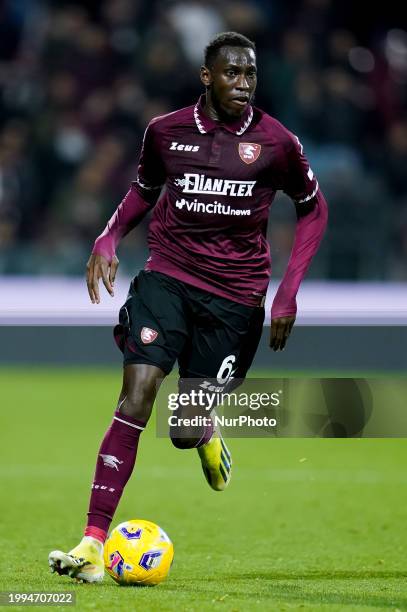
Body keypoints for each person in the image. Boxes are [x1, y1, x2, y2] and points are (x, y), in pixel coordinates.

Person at [49, 31, 328, 583]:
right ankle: (92, 542)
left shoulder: (277, 144)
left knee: (181, 425)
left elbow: (313, 209)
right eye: (232, 74)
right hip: (167, 277)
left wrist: (289, 290)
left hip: (236, 297)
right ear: (207, 76)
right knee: (136, 394)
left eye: (250, 74)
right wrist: (108, 238)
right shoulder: (165, 131)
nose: (244, 84)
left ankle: (202, 432)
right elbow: (143, 189)